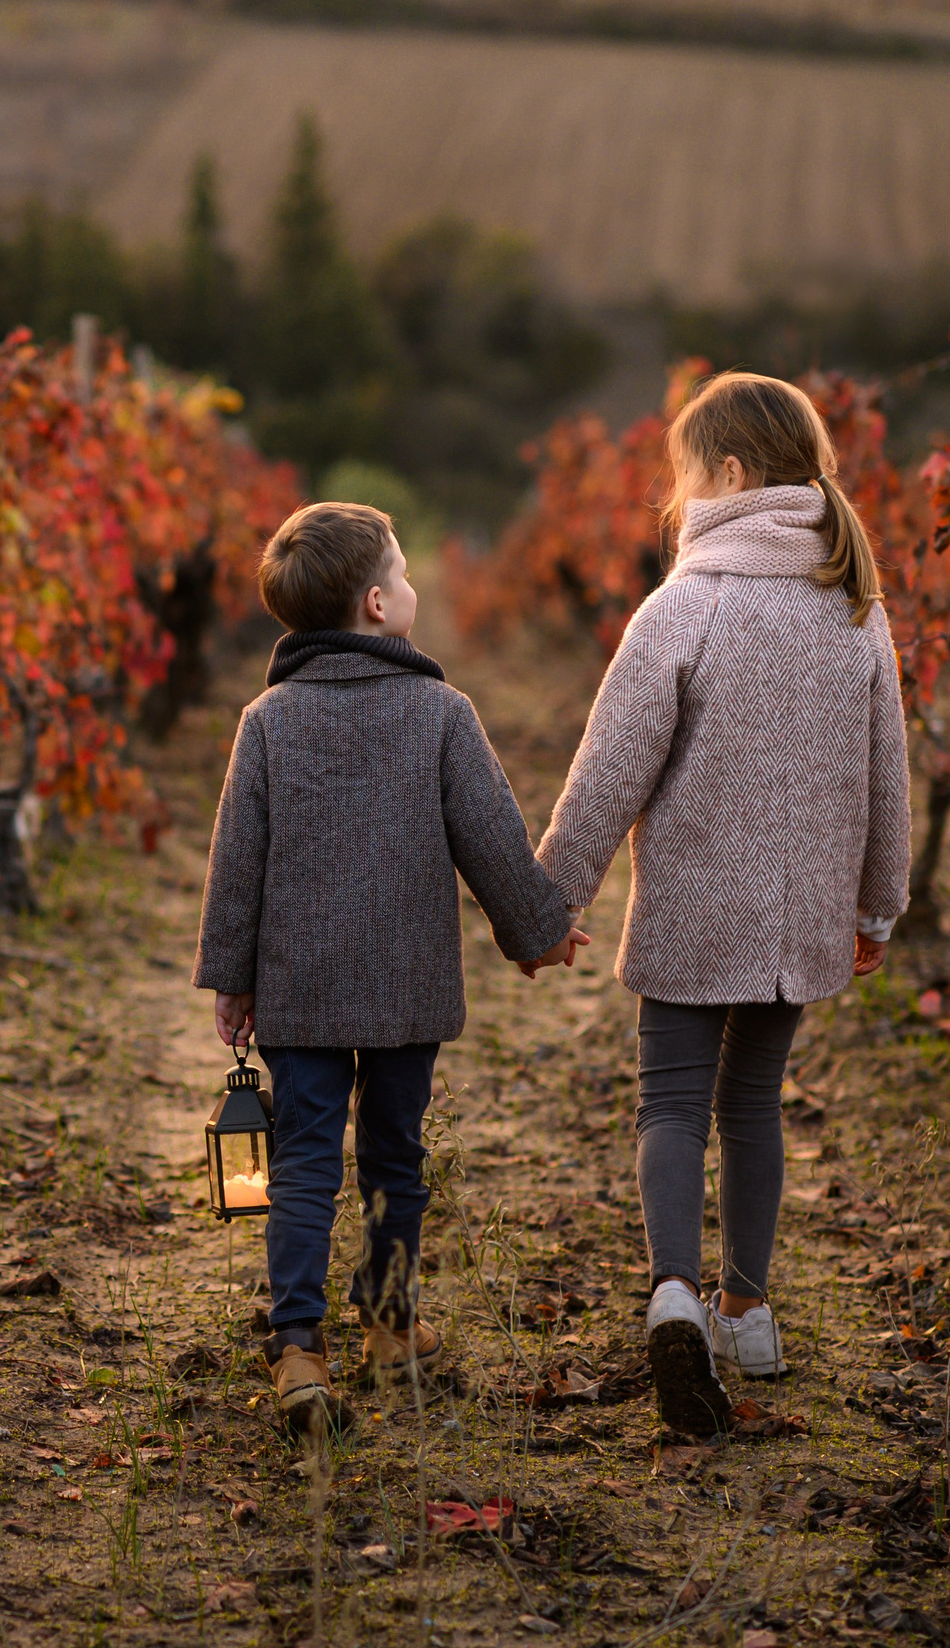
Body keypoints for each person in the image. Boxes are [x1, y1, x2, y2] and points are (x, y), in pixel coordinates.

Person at [536, 372, 912, 1436]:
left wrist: (547, 902)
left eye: (684, 472)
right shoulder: (854, 609)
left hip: (693, 908)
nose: (675, 495)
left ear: (731, 476)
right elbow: (890, 779)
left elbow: (607, 771)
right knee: (752, 1103)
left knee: (668, 1102)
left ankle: (670, 1294)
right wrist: (875, 909)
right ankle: (745, 1308)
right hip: (802, 924)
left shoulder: (685, 604)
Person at [194, 501, 587, 1436]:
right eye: (406, 574)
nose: (415, 588)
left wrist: (232, 976)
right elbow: (492, 843)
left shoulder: (267, 720)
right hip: (408, 986)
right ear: (377, 604)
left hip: (301, 991)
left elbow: (236, 858)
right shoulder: (442, 714)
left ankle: (298, 1345)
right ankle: (391, 1326)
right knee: (395, 1156)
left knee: (300, 1156)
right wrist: (538, 929)